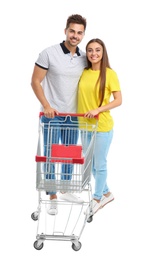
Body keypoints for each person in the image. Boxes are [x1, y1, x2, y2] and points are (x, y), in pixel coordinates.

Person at [31, 14, 87, 215]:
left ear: (82, 35)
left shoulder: (84, 58)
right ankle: (52, 196)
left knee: (70, 155)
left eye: (79, 32)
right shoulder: (49, 53)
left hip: (74, 116)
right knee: (50, 155)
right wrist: (46, 105)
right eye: (72, 31)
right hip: (53, 114)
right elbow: (35, 81)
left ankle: (65, 189)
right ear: (65, 31)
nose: (75, 35)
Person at [77, 38, 122, 215]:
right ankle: (107, 193)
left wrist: (98, 109)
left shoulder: (110, 74)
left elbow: (119, 100)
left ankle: (97, 199)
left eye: (97, 50)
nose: (93, 53)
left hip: (101, 126)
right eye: (90, 50)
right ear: (86, 53)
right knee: (92, 165)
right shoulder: (84, 72)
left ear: (103, 53)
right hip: (83, 126)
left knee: (100, 164)